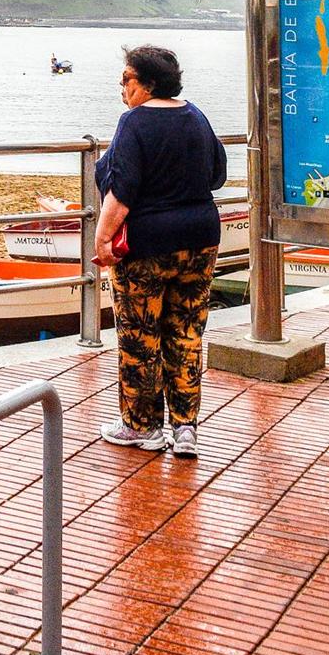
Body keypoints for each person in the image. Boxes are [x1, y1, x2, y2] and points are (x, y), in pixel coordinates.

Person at [93, 43, 227, 458]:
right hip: (200, 239)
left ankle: (142, 426)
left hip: (147, 246)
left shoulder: (133, 123)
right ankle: (186, 428)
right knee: (187, 333)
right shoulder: (197, 117)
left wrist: (101, 239)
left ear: (148, 84)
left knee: (140, 335)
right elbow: (218, 174)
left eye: (127, 80)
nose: (122, 89)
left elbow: (123, 190)